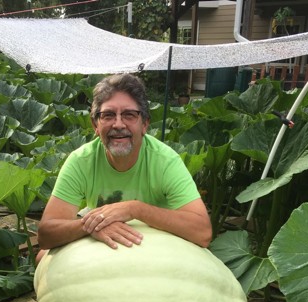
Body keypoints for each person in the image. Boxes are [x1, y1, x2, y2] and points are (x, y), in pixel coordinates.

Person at [37, 73, 212, 253]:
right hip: (103, 245)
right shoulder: (81, 160)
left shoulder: (165, 161)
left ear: (145, 124)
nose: (118, 124)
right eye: (108, 115)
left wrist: (136, 209)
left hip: (157, 247)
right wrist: (91, 225)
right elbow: (46, 235)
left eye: (129, 115)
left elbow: (203, 233)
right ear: (95, 125)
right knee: (42, 256)